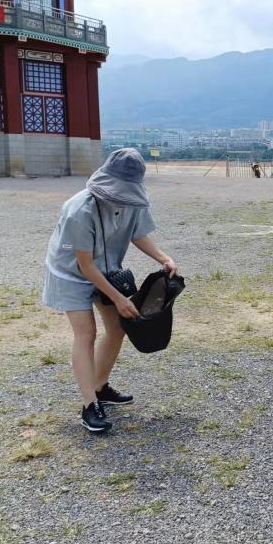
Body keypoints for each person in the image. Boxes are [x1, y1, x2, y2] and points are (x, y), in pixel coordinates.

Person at [42, 148, 178, 433]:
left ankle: (100, 386)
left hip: (106, 270)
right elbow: (85, 266)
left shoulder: (132, 202)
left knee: (117, 329)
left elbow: (138, 233)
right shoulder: (80, 210)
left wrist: (163, 258)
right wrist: (118, 299)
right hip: (70, 273)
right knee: (86, 333)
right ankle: (89, 405)